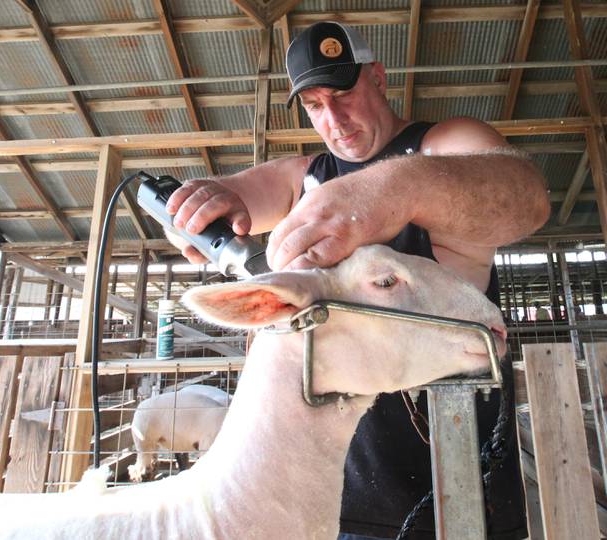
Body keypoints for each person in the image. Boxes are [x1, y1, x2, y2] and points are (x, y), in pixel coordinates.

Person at [165, 21, 549, 540]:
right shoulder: (308, 177)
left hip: (459, 493)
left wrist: (396, 189)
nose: (334, 118)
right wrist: (204, 200)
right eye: (314, 105)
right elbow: (237, 192)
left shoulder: (442, 147)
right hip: (334, 501)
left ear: (378, 77)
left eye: (344, 93)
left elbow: (525, 197)